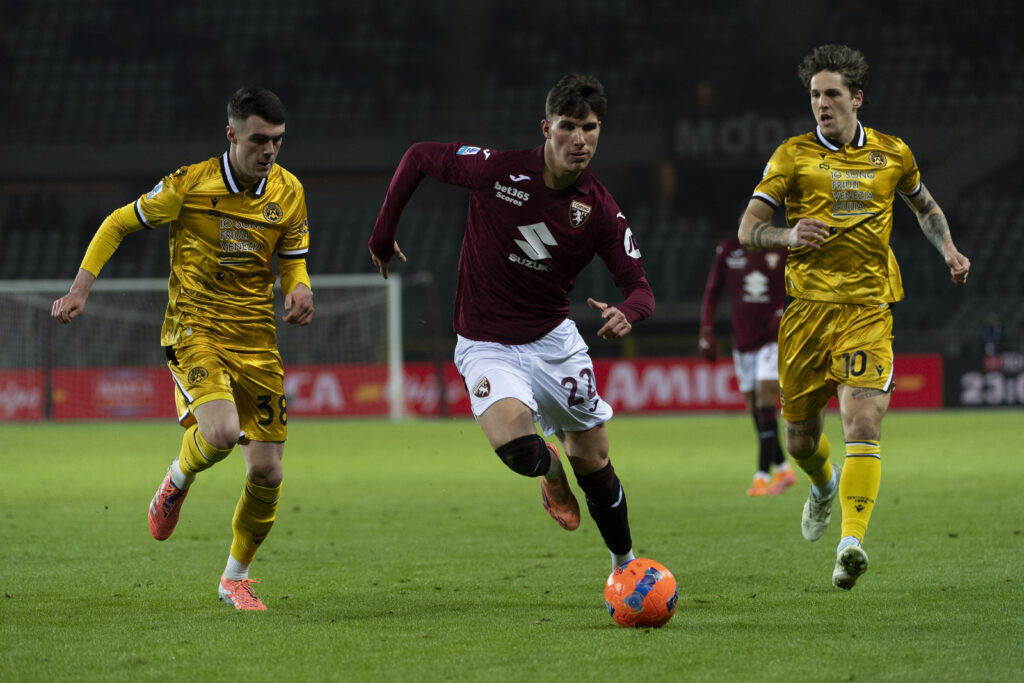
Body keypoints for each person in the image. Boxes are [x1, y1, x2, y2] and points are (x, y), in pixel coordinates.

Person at [368, 73, 655, 572]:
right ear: (546, 128)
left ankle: (624, 565)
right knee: (522, 450)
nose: (580, 139)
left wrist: (626, 313)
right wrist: (382, 234)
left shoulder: (601, 210)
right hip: (486, 344)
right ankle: (549, 474)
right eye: (568, 126)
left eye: (590, 127)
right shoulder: (498, 171)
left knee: (595, 462)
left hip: (553, 344)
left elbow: (641, 290)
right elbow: (418, 156)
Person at [51, 86, 314, 610]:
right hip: (194, 330)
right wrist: (80, 287)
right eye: (259, 139)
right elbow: (118, 222)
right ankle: (176, 480)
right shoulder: (188, 186)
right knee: (218, 433)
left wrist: (300, 287)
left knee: (268, 472)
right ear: (232, 134)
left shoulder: (289, 191)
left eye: (278, 141)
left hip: (257, 339)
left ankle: (233, 579)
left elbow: (293, 256)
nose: (269, 151)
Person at [738, 45, 970, 589]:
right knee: (798, 440)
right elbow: (749, 228)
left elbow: (926, 207)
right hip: (806, 315)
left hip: (868, 309)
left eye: (832, 94)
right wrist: (788, 234)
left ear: (856, 98)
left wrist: (949, 250)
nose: (821, 104)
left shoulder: (893, 154)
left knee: (863, 422)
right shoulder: (791, 156)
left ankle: (850, 543)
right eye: (815, 94)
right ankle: (823, 485)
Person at [698, 234, 795, 496]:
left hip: (772, 340)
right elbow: (711, 291)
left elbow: (802, 283)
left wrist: (784, 310)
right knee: (755, 409)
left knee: (765, 401)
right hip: (742, 342)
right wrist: (706, 330)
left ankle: (762, 476)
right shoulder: (728, 250)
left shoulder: (782, 249)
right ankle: (784, 468)